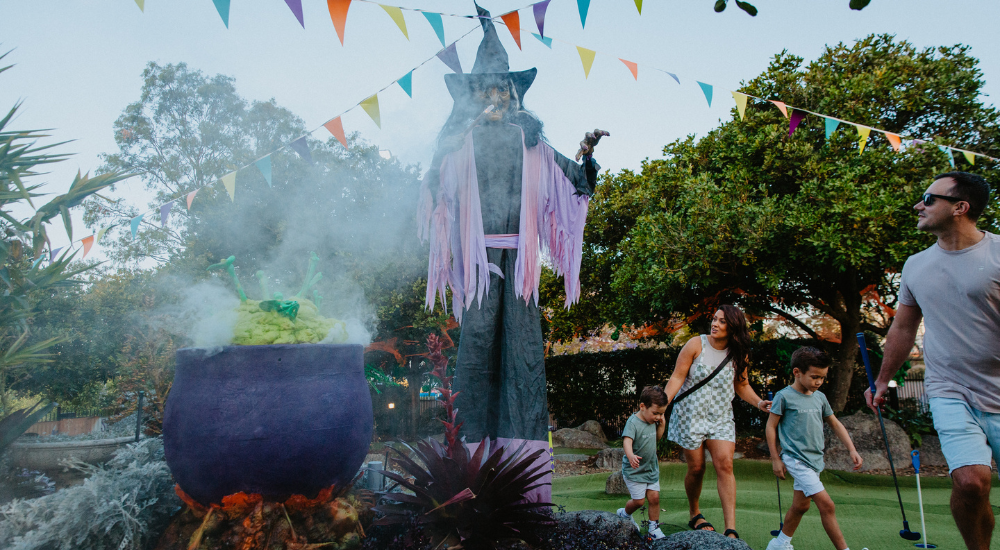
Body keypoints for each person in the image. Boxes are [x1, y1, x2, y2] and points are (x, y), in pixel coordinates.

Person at [417, 4, 607, 503]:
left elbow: (578, 182)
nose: (496, 97)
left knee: (523, 359)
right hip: (480, 268)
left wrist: (586, 153)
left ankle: (523, 481)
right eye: (486, 90)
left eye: (504, 89)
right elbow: (433, 186)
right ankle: (468, 469)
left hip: (519, 268)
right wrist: (449, 143)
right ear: (471, 98)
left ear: (517, 95)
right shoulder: (458, 144)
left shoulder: (534, 145)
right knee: (475, 353)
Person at [866, 171, 999, 550]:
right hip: (950, 389)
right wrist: (881, 381)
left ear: (960, 207)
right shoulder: (916, 265)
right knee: (971, 482)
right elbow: (903, 330)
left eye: (928, 198)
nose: (918, 205)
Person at [664, 304, 771, 539]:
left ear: (733, 327)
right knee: (697, 468)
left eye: (722, 321)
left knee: (725, 465)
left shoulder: (738, 353)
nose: (715, 324)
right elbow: (677, 377)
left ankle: (730, 528)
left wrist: (759, 403)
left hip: (721, 417)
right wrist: (662, 405)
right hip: (690, 415)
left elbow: (741, 385)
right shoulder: (695, 344)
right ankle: (695, 513)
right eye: (714, 319)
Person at [765, 347, 863, 550]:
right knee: (827, 505)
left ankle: (779, 544)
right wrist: (776, 458)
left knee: (801, 505)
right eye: (814, 377)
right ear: (797, 372)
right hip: (796, 459)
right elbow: (770, 426)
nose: (818, 382)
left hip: (815, 460)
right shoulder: (784, 397)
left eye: (823, 378)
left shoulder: (820, 398)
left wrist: (852, 449)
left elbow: (835, 423)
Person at [617, 385, 669, 540]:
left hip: (651, 468)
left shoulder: (653, 420)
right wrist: (631, 455)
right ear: (642, 406)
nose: (659, 417)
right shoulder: (633, 423)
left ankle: (654, 527)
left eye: (662, 414)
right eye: (656, 413)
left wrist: (662, 426)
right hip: (635, 470)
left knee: (654, 498)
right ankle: (624, 514)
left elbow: (656, 439)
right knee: (639, 501)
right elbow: (627, 441)